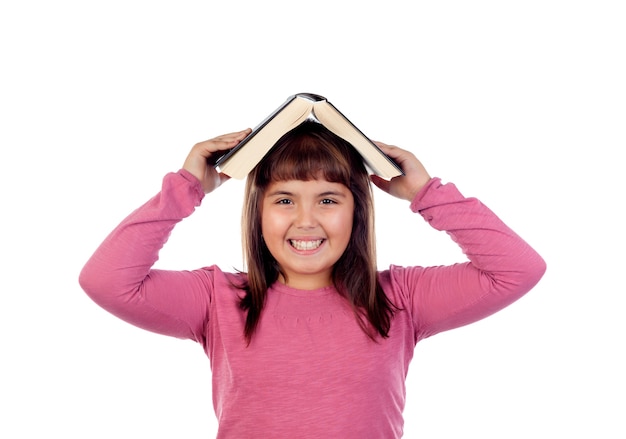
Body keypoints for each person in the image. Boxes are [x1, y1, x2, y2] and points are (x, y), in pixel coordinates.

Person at [79, 120, 546, 438]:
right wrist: (187, 187)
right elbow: (105, 281)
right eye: (284, 200)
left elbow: (517, 269)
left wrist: (426, 194)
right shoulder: (217, 299)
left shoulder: (401, 297)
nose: (306, 220)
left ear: (356, 211)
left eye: (327, 200)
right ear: (258, 214)